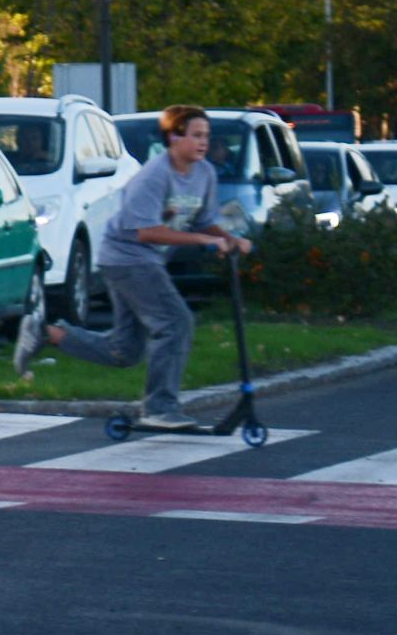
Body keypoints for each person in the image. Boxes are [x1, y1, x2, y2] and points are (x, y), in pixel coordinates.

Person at [12, 102, 245, 421]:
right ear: (174, 138)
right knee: (176, 323)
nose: (204, 142)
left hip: (145, 262)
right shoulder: (153, 176)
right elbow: (147, 232)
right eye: (196, 135)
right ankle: (159, 407)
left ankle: (45, 333)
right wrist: (204, 241)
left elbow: (205, 221)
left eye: (206, 135)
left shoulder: (204, 173)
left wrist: (229, 238)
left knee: (125, 350)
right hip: (128, 259)